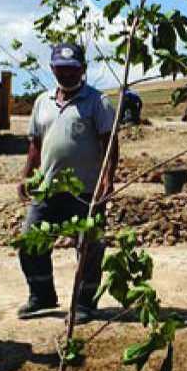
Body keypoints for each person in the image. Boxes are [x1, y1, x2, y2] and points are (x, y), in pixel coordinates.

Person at [16, 42, 118, 322]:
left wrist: (108, 179)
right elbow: (36, 143)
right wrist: (27, 174)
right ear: (52, 69)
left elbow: (110, 143)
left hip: (85, 190)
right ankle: (42, 295)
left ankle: (85, 304)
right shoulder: (42, 101)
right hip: (48, 188)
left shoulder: (98, 102)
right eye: (61, 69)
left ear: (83, 70)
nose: (67, 75)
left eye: (73, 70)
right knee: (30, 240)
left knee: (89, 247)